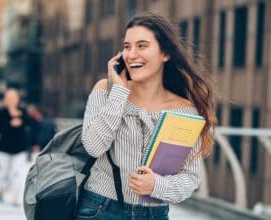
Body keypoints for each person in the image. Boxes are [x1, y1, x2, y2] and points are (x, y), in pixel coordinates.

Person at [77, 13, 216, 220]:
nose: (131, 54)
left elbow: (190, 178)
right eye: (127, 46)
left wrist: (155, 185)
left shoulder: (185, 111)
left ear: (165, 54)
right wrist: (119, 93)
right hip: (99, 209)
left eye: (142, 46)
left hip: (154, 214)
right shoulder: (106, 90)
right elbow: (93, 146)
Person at [0, 89, 35, 205]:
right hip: (4, 148)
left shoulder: (23, 111)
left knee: (16, 173)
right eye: (9, 98)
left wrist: (20, 118)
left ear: (18, 99)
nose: (11, 101)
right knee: (4, 173)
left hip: (20, 148)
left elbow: (31, 124)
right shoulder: (1, 112)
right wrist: (10, 124)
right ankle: (1, 191)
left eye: (13, 98)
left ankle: (16, 197)